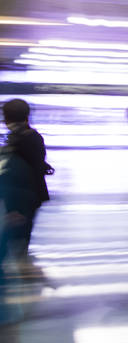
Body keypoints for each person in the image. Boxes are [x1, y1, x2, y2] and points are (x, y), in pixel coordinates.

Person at [1, 99, 52, 277]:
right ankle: (22, 265)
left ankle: (21, 269)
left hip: (20, 196)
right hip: (32, 195)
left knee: (16, 234)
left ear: (5, 118)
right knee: (21, 234)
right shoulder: (34, 136)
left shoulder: (16, 139)